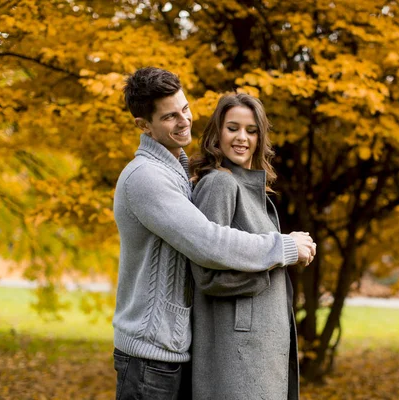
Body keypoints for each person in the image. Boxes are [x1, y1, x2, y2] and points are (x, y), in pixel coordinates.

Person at [112, 67, 316, 400]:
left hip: (173, 349)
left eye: (185, 109)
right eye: (169, 117)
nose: (183, 121)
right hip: (149, 352)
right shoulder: (147, 177)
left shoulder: (177, 172)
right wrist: (285, 249)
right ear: (144, 125)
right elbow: (209, 243)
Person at [189, 93, 306, 400]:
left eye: (251, 130)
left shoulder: (252, 191)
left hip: (259, 352)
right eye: (233, 128)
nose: (242, 138)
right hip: (237, 357)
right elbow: (207, 276)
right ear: (217, 133)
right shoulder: (220, 185)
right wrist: (277, 264)